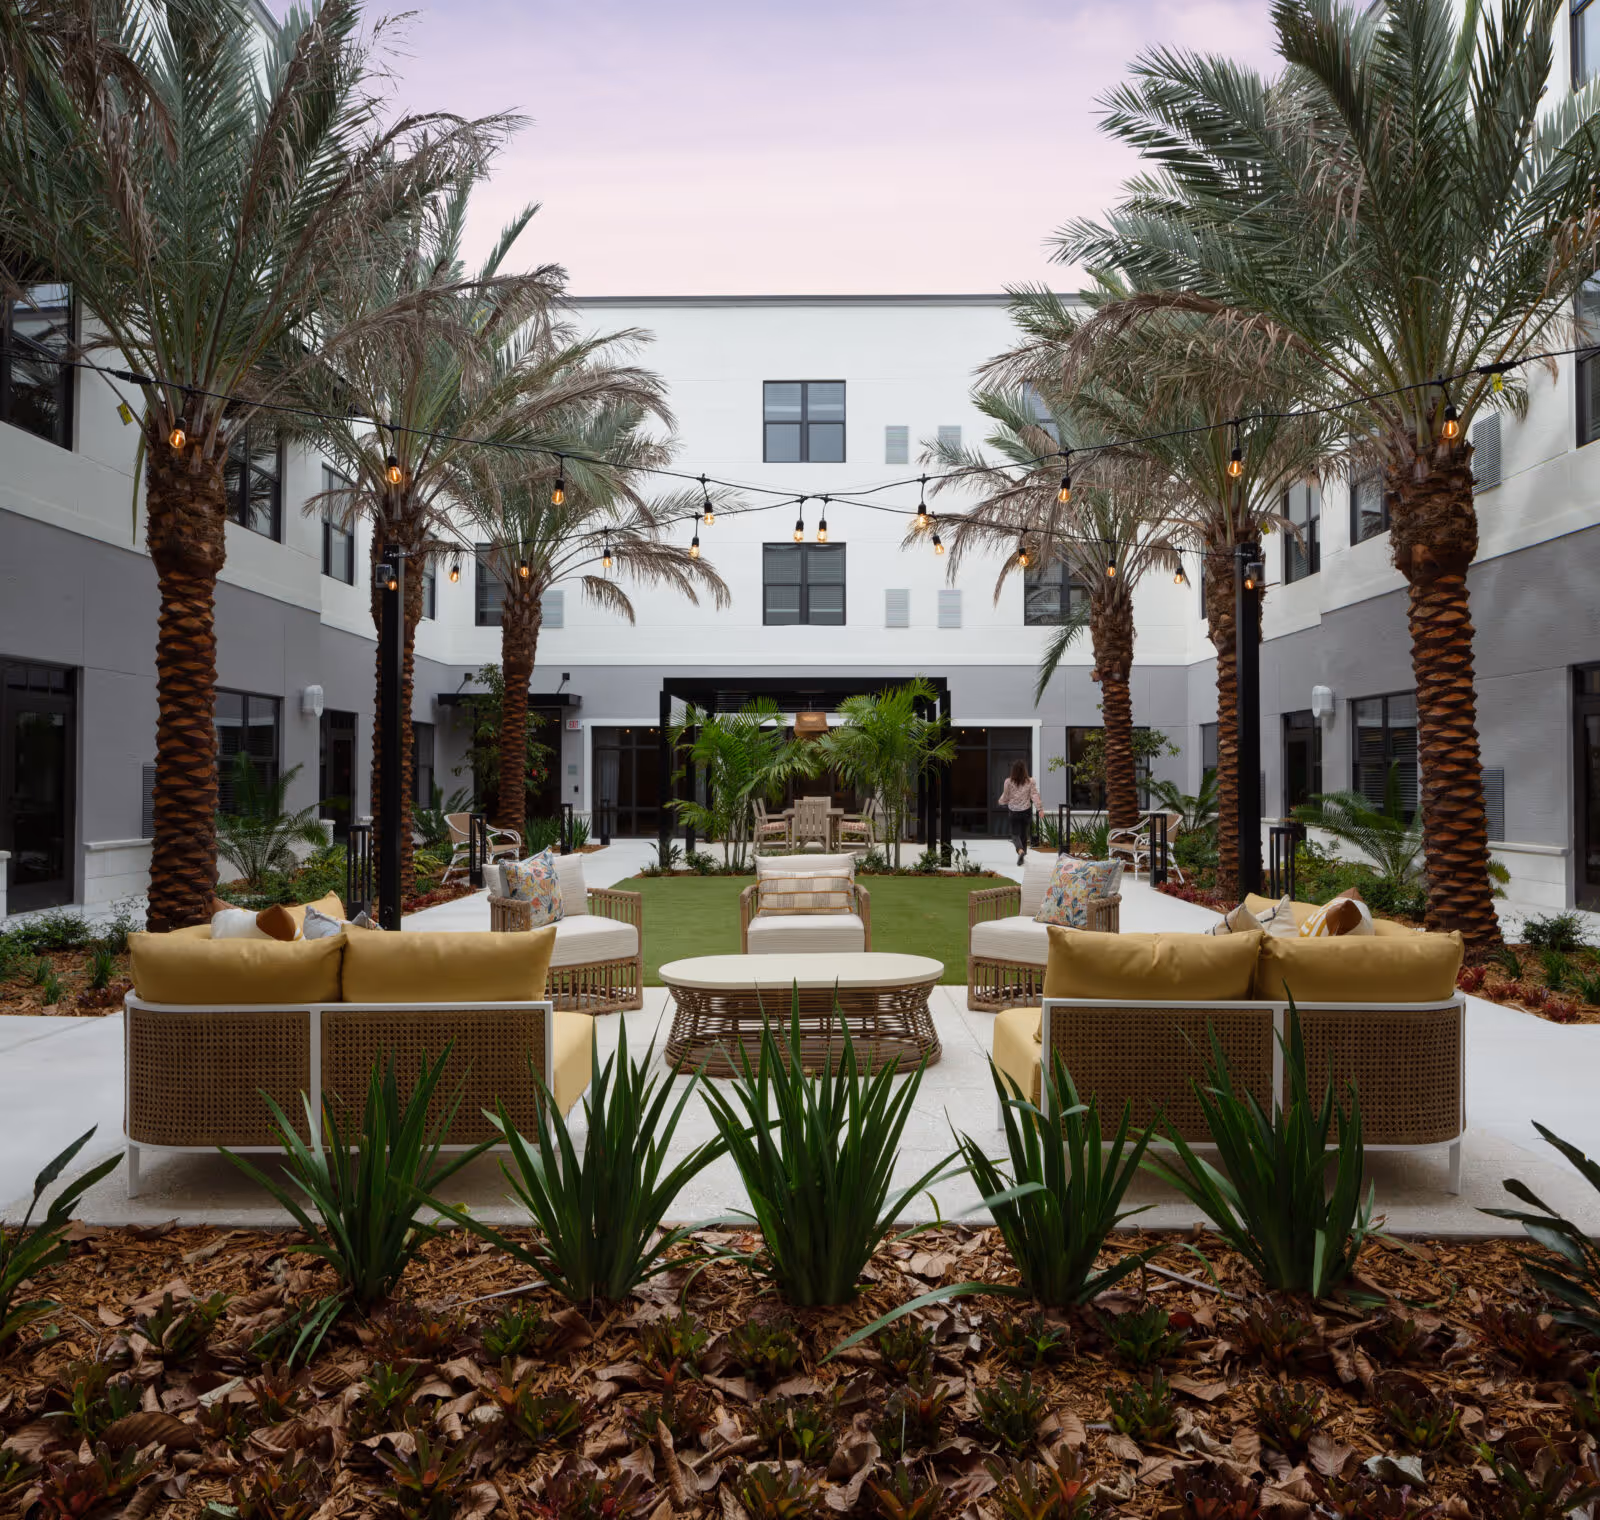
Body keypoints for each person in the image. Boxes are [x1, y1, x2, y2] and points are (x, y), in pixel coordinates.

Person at [997, 758, 1044, 867]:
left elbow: (1006, 796)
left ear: (1013, 770)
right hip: (1026, 811)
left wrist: (1000, 801)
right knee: (1023, 834)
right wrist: (1040, 809)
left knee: (1015, 834)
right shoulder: (1030, 781)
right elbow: (1034, 795)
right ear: (1024, 770)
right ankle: (1024, 854)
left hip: (1014, 811)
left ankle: (1020, 851)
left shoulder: (1008, 782)